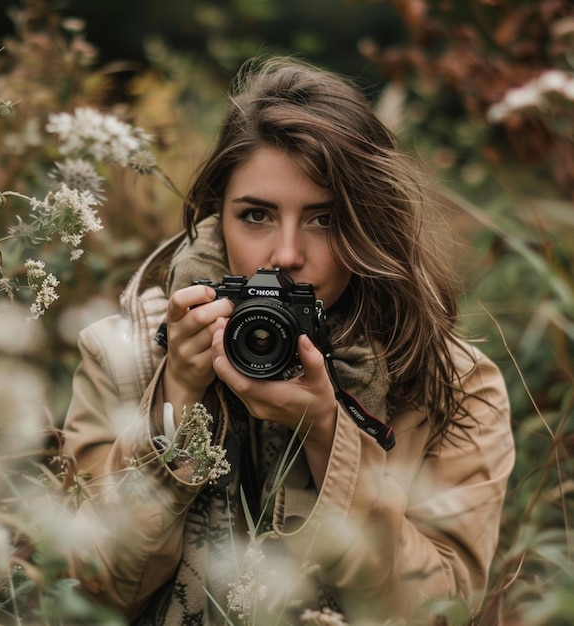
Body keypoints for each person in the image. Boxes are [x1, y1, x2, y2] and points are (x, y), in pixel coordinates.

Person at [62, 56, 515, 625]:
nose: (285, 255)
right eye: (256, 215)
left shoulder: (452, 383)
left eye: (324, 219)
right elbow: (89, 594)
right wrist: (176, 395)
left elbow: (440, 612)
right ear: (216, 217)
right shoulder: (126, 353)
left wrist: (332, 436)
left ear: (369, 223)